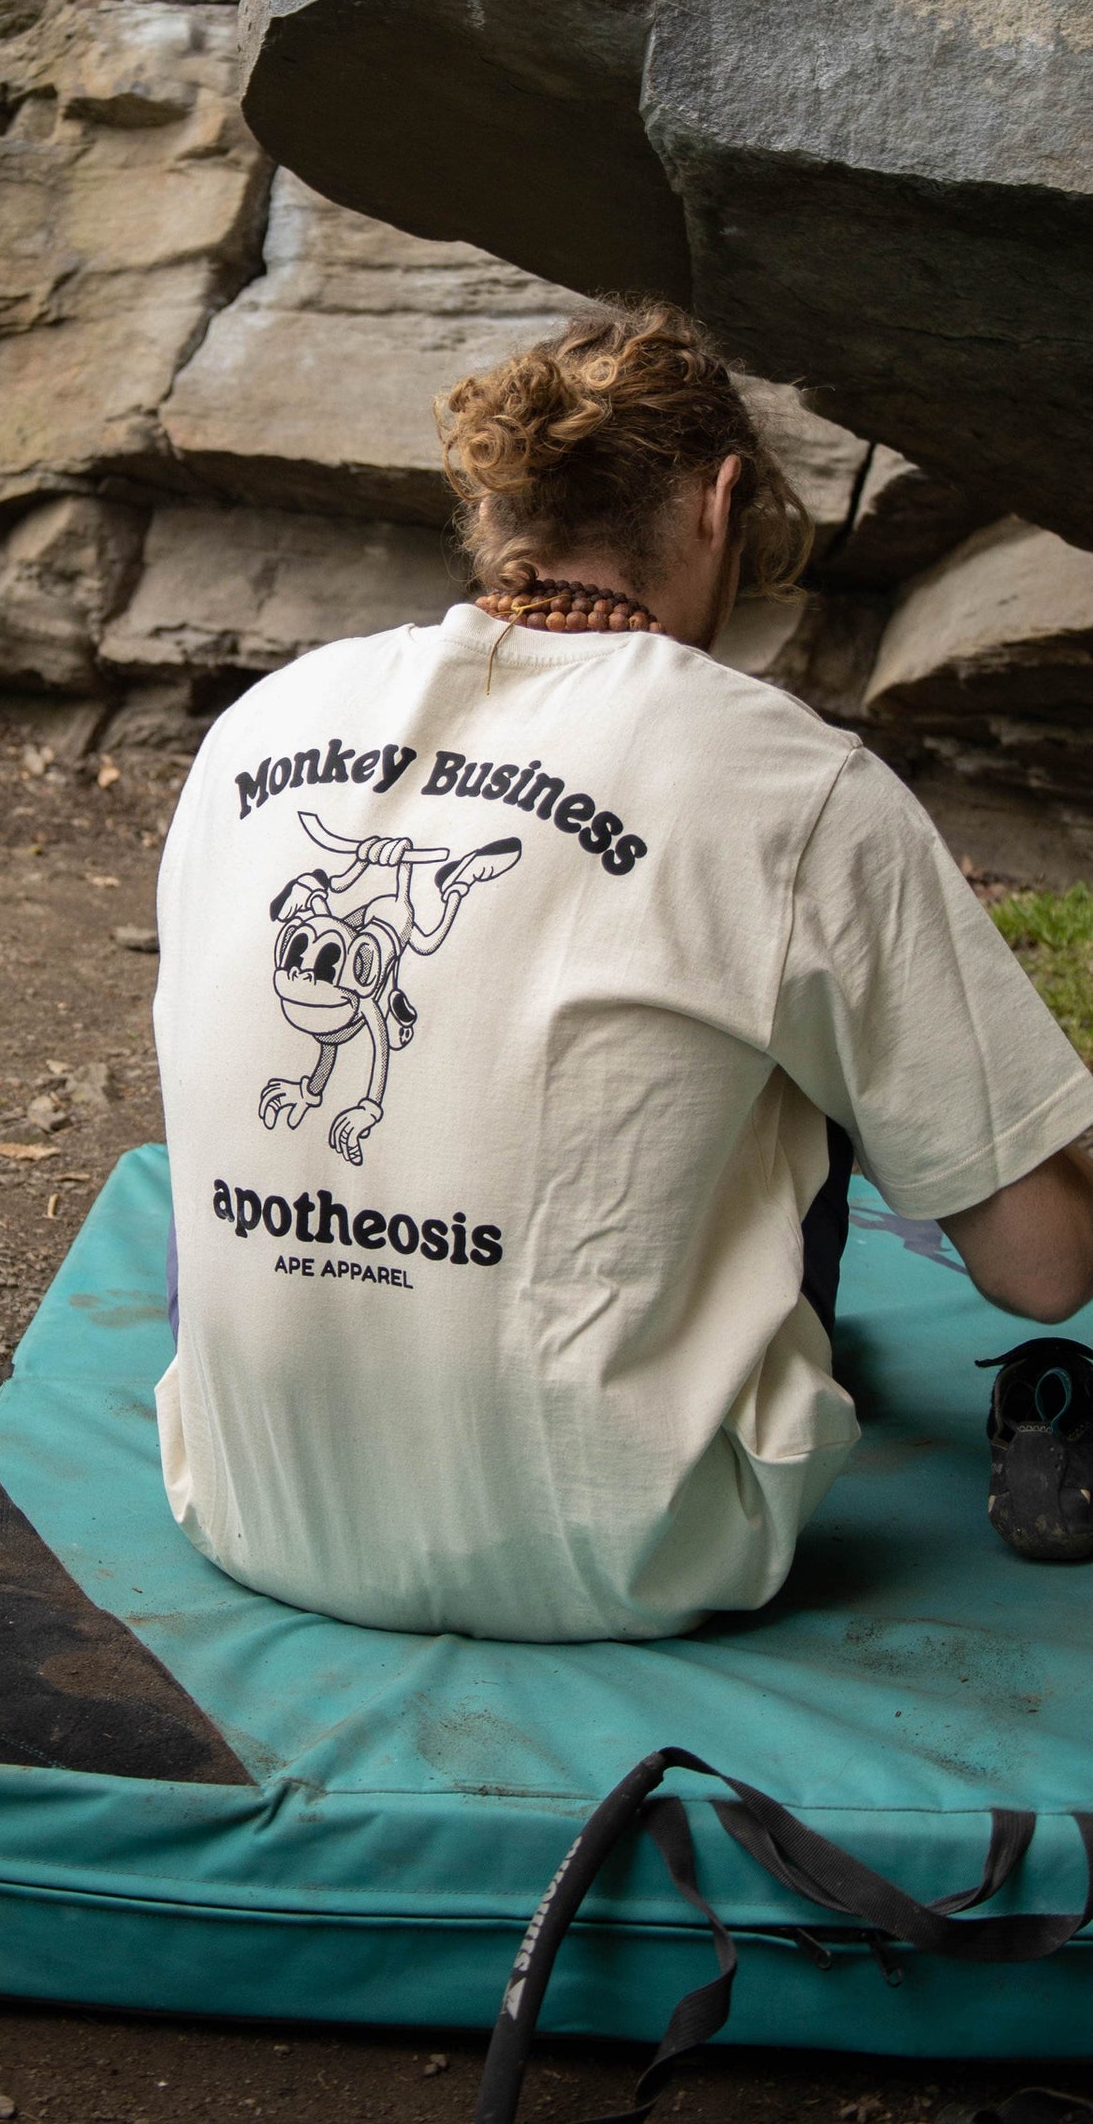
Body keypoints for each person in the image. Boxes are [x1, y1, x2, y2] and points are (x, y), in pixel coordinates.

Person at [151, 303, 1093, 1642]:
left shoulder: (260, 727)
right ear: (717, 504)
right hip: (631, 1556)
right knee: (799, 1030)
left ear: (491, 506)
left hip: (249, 1510)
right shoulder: (781, 777)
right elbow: (1045, 1271)